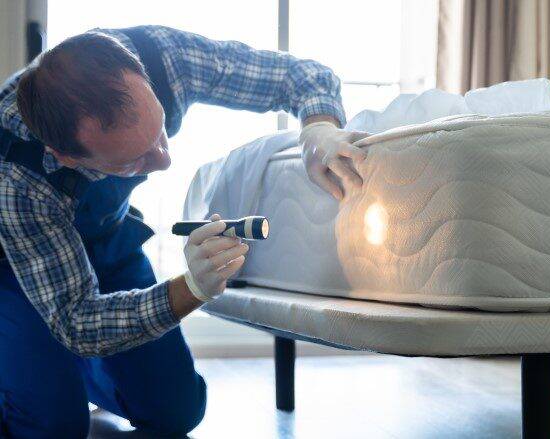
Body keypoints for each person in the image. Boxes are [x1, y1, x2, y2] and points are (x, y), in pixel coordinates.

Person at [0, 25, 366, 437]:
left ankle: (70, 371)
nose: (163, 161)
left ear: (139, 73)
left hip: (107, 239)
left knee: (178, 411)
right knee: (51, 427)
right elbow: (76, 320)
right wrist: (190, 287)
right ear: (65, 157)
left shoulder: (168, 59)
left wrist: (319, 129)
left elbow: (302, 75)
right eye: (132, 161)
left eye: (159, 130)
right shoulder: (16, 179)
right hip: (22, 270)